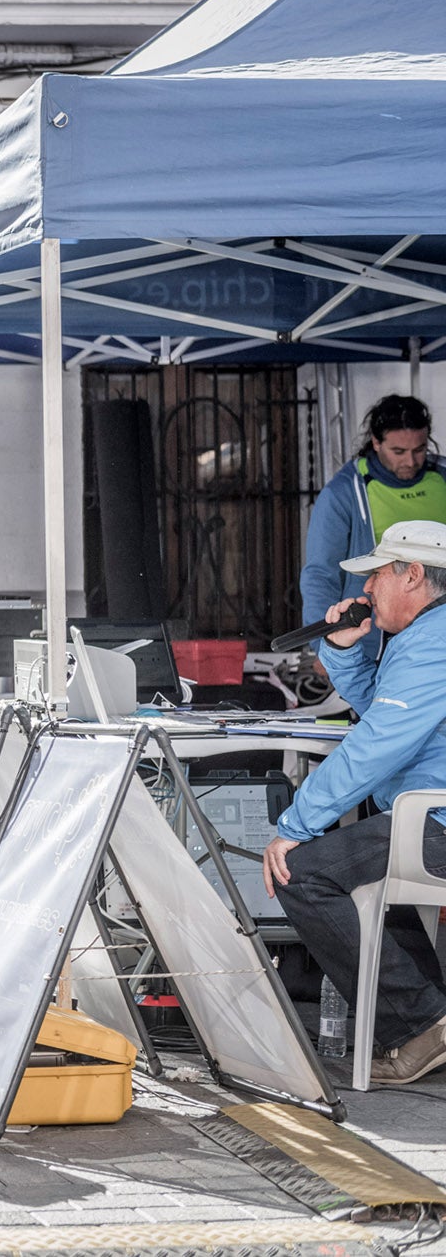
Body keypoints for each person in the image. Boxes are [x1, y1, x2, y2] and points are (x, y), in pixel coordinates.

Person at [264, 520, 446, 1086]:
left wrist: (297, 823)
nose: (365, 591)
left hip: (437, 820)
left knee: (301, 874)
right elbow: (385, 709)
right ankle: (429, 1020)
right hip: (426, 815)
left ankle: (422, 1025)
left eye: (375, 577)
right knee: (377, 882)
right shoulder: (425, 637)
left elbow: (376, 745)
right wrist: (342, 648)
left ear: (412, 574)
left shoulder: (433, 643)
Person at [302, 396, 446, 661]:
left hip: (439, 633)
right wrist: (325, 648)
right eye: (399, 452)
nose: (411, 462)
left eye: (420, 449)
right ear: (376, 443)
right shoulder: (344, 493)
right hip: (378, 639)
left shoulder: (442, 477)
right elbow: (321, 574)